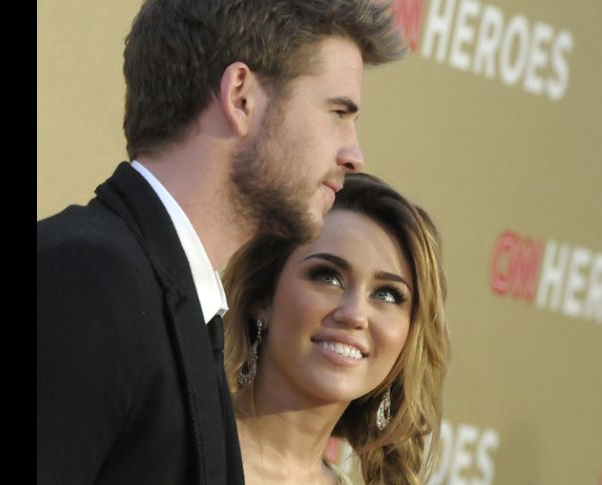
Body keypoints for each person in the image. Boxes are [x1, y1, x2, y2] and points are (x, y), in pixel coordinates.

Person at [37, 2, 406, 484]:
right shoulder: (87, 280)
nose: (353, 155)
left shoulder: (179, 306)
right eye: (337, 112)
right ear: (240, 97)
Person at [222, 173, 450, 484]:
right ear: (262, 296)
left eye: (386, 294)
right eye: (328, 277)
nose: (355, 314)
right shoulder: (177, 444)